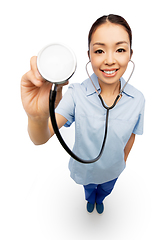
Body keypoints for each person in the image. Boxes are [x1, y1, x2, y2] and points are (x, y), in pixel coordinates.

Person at [21, 14, 145, 214]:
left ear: (130, 54)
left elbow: (131, 135)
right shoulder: (76, 94)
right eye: (99, 50)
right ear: (89, 55)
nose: (110, 60)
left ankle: (101, 199)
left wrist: (122, 160)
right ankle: (90, 199)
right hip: (86, 171)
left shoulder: (138, 99)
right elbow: (41, 138)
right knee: (89, 190)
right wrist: (37, 117)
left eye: (120, 49)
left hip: (113, 170)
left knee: (106, 190)